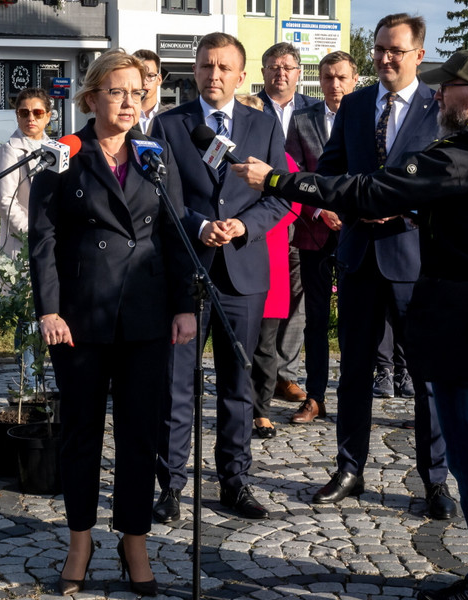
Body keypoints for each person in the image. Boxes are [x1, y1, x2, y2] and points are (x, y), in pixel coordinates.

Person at [231, 46, 468, 600]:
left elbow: (368, 188)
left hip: (466, 326)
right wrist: (424, 210)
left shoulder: (464, 153)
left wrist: (277, 181)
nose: (438, 95)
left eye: (449, 87)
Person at [29, 50, 195, 598]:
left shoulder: (154, 154)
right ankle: (80, 540)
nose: (130, 102)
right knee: (80, 435)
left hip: (145, 316)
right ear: (92, 96)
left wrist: (185, 305)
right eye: (118, 91)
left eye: (138, 93)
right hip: (81, 318)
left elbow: (172, 233)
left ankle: (134, 541)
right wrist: (49, 309)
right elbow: (44, 238)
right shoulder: (62, 153)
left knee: (139, 435)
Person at [288, 14, 455, 524]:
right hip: (358, 254)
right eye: (380, 49)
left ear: (418, 57)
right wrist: (337, 200)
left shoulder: (439, 107)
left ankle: (435, 480)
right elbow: (332, 168)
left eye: (396, 51)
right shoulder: (358, 105)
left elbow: (450, 181)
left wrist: (405, 208)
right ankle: (349, 468)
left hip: (413, 258)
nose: (386, 58)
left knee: (426, 376)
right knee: (354, 370)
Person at [151, 32, 288, 523]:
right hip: (188, 271)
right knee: (177, 385)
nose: (214, 75)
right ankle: (170, 486)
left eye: (224, 68)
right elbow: (160, 197)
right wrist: (201, 225)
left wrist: (244, 226)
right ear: (196, 69)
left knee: (238, 385)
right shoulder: (169, 124)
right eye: (206, 66)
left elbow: (280, 196)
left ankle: (236, 482)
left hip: (243, 274)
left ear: (241, 74)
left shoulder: (264, 125)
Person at [284, 50, 356, 423]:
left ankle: (351, 396)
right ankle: (314, 396)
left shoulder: (366, 115)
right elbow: (294, 178)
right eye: (328, 77)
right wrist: (318, 209)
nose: (335, 84)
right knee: (314, 319)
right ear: (319, 80)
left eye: (342, 77)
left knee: (354, 319)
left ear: (354, 79)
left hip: (356, 234)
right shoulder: (301, 120)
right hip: (314, 234)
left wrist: (349, 211)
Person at [257, 43, 321, 404]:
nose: (280, 73)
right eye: (273, 66)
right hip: (261, 218)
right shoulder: (248, 108)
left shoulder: (314, 110)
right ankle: (256, 371)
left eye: (287, 67)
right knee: (258, 294)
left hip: (304, 217)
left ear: (299, 73)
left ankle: (285, 374)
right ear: (263, 71)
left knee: (296, 296)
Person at [236, 94, 301, 439]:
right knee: (234, 344)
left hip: (270, 256)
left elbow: (295, 206)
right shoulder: (229, 156)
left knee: (264, 344)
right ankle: (236, 404)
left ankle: (261, 410)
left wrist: (259, 220)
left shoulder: (282, 160)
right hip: (234, 254)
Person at [0, 87, 52, 258]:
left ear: (48, 116)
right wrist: (31, 232)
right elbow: (4, 202)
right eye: (24, 113)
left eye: (38, 112)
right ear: (17, 116)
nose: (31, 118)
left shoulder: (57, 149)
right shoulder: (9, 151)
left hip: (54, 240)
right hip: (22, 244)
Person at [132, 49, 172, 135]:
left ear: (159, 79)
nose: (144, 82)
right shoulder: (123, 116)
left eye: (150, 76)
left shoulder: (171, 116)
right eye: (140, 75)